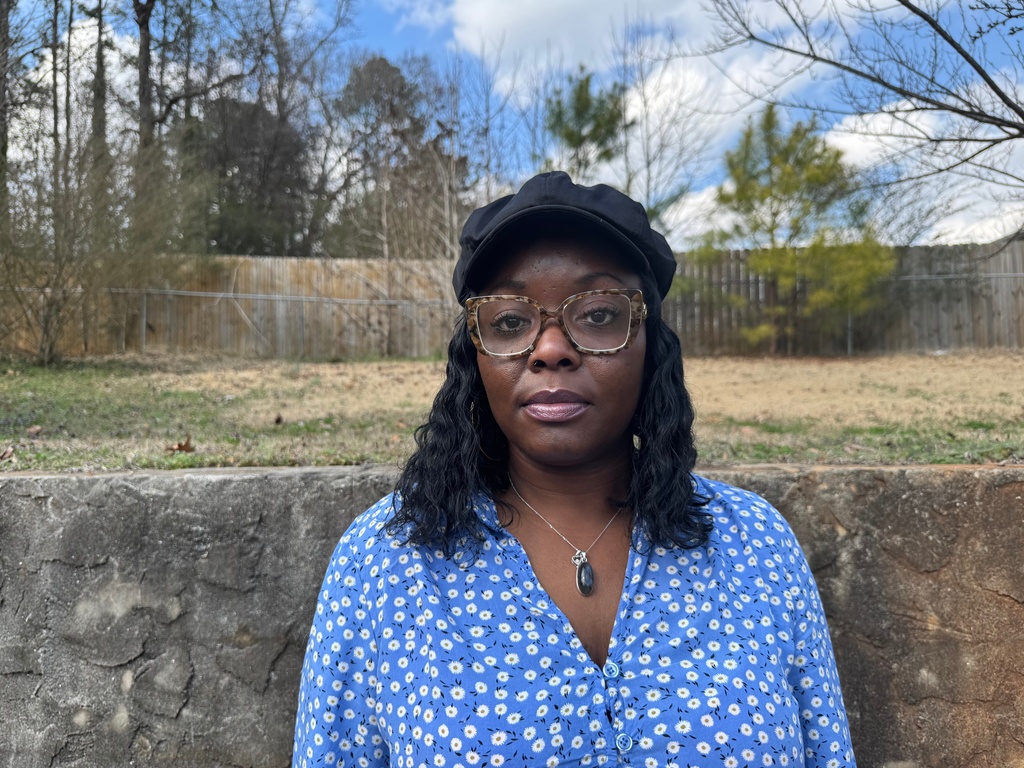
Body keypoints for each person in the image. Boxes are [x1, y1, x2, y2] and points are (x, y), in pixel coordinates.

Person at [293, 171, 856, 768]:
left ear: (650, 346)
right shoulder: (386, 560)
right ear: (474, 355)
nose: (551, 348)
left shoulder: (754, 545)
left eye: (598, 313)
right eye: (510, 320)